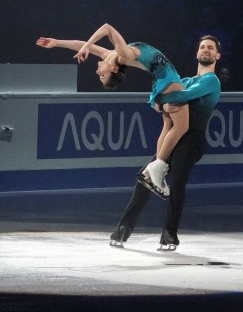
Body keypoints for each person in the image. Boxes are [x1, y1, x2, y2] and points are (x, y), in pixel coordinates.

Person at [35, 23, 189, 197]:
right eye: (102, 75)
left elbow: (81, 43)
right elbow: (107, 28)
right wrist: (86, 47)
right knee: (181, 127)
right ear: (114, 69)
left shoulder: (110, 54)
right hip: (168, 80)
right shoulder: (123, 55)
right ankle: (158, 167)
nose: (97, 72)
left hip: (163, 81)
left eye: (100, 75)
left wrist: (56, 42)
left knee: (168, 125)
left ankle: (154, 171)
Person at [108, 33, 222, 251]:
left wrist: (160, 102)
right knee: (146, 176)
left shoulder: (211, 81)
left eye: (210, 48)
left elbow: (183, 96)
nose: (205, 50)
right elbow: (164, 101)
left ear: (218, 55)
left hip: (192, 139)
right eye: (202, 47)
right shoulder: (185, 80)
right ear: (197, 53)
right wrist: (161, 105)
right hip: (174, 136)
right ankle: (123, 227)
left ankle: (169, 234)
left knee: (177, 180)